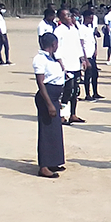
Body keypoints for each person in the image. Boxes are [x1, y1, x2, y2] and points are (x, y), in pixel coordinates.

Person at [33, 33, 66, 178]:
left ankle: (53, 161)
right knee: (46, 132)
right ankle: (44, 166)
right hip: (46, 97)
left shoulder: (51, 57)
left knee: (55, 130)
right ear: (53, 44)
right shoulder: (40, 59)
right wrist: (49, 104)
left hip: (53, 97)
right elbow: (40, 82)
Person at [53, 9, 88, 124]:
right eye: (67, 15)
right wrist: (60, 63)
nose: (70, 17)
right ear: (61, 18)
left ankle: (73, 114)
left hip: (75, 64)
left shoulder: (74, 29)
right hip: (66, 66)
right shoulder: (59, 31)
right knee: (67, 91)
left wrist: (83, 59)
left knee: (76, 90)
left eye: (70, 15)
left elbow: (78, 46)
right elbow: (56, 49)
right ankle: (62, 115)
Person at [80, 9, 102, 100]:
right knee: (87, 76)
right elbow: (81, 44)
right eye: (90, 18)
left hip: (92, 55)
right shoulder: (81, 28)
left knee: (95, 75)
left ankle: (95, 92)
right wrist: (85, 59)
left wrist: (96, 49)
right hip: (87, 56)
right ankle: (87, 94)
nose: (91, 20)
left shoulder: (90, 28)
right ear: (85, 18)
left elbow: (93, 39)